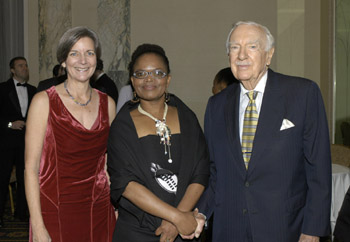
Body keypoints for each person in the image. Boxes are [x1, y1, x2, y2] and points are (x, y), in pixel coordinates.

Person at [196, 21, 332, 242]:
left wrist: (313, 230)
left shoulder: (303, 94)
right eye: (234, 47)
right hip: (230, 229)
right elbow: (216, 174)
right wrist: (201, 212)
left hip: (286, 228)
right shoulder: (216, 106)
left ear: (269, 55)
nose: (241, 55)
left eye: (252, 46)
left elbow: (318, 170)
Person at [107, 43, 210, 242]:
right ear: (132, 81)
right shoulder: (122, 126)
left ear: (168, 79)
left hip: (183, 230)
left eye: (157, 73)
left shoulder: (187, 117)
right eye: (141, 74)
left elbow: (201, 171)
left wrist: (177, 220)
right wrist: (175, 217)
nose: (149, 79)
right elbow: (125, 183)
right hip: (137, 231)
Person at [25, 26, 116, 241]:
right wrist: (37, 225)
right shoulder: (43, 101)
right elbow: (31, 169)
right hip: (54, 208)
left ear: (97, 59)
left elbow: (108, 162)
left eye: (89, 53)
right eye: (74, 53)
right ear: (63, 61)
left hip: (99, 208)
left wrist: (115, 206)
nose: (83, 60)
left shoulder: (108, 104)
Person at [0, 56, 36, 227]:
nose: (25, 68)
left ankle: (22, 214)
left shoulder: (33, 90)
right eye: (21, 66)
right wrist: (10, 124)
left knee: (25, 178)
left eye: (26, 65)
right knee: (2, 179)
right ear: (12, 70)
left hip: (26, 143)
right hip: (6, 144)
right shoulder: (2, 89)